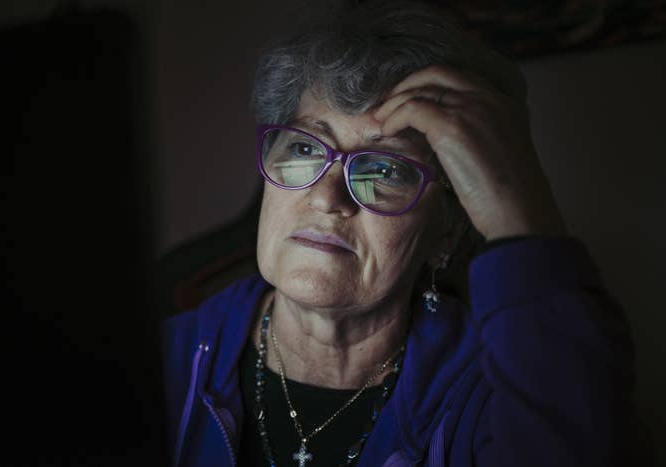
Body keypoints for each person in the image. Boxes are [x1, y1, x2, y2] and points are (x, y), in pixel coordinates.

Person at [162, 1, 645, 466]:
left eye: (384, 170)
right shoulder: (164, 362)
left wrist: (517, 207)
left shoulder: (494, 390)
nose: (328, 198)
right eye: (306, 149)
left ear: (446, 232)